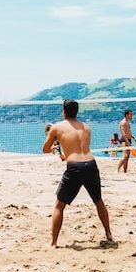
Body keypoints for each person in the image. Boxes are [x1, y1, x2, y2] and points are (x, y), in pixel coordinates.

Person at [43, 99, 113, 247]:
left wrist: (55, 147)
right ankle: (109, 234)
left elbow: (45, 149)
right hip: (91, 164)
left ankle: (53, 242)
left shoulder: (56, 127)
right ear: (77, 112)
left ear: (64, 111)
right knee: (98, 201)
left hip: (74, 166)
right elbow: (80, 148)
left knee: (59, 206)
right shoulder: (86, 127)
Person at [117, 109, 136, 173]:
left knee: (127, 157)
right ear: (127, 115)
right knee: (125, 156)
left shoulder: (127, 122)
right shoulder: (123, 122)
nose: (132, 116)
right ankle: (117, 170)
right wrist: (127, 142)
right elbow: (123, 133)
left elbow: (128, 133)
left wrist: (134, 138)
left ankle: (125, 171)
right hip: (124, 140)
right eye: (130, 114)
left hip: (128, 139)